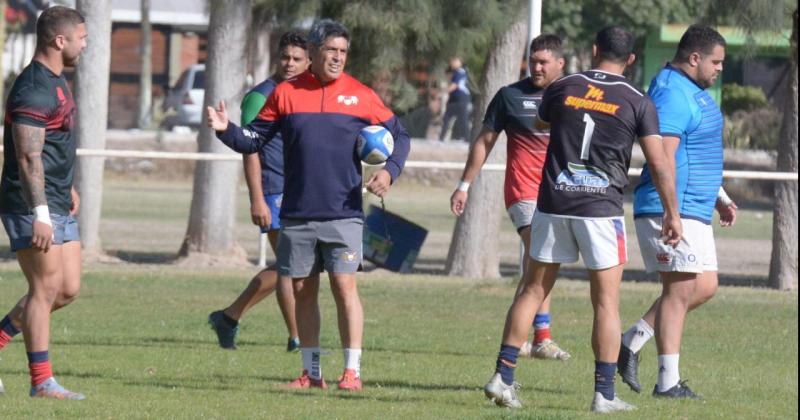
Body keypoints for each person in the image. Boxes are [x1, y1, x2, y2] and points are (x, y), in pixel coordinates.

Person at [481, 27, 682, 413]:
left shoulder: (564, 85)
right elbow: (658, 163)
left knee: (531, 290)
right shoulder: (638, 100)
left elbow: (541, 124)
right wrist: (672, 213)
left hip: (553, 202)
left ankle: (502, 377)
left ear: (593, 50)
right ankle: (604, 394)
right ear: (632, 59)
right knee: (606, 302)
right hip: (600, 211)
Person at [207, 19, 410, 391]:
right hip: (297, 213)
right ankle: (311, 373)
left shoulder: (361, 95)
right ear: (314, 53)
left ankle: (352, 372)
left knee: (344, 288)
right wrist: (226, 130)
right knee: (302, 290)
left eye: (343, 52)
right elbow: (254, 140)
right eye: (330, 51)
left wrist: (390, 172)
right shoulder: (285, 94)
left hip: (344, 212)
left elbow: (399, 135)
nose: (337, 58)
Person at [618, 25, 734, 399]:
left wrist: (719, 195)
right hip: (672, 208)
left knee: (704, 286)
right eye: (715, 62)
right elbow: (662, 156)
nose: (719, 69)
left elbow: (694, 153)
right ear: (695, 58)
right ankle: (667, 382)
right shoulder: (670, 92)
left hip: (694, 207)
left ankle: (631, 340)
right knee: (681, 289)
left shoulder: (692, 92)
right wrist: (671, 212)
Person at [450, 34, 570, 361]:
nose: (536, 66)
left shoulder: (571, 96)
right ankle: (520, 347)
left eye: (544, 61)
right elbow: (484, 141)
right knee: (538, 256)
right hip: (523, 192)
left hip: (561, 194)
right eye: (533, 60)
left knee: (543, 263)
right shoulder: (510, 96)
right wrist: (464, 185)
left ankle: (541, 338)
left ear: (561, 63)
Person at [0, 5, 87, 400]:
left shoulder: (57, 80)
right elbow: (26, 156)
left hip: (56, 197)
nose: (85, 45)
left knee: (67, 290)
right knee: (45, 286)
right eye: (82, 38)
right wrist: (40, 215)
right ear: (60, 40)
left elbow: (53, 143)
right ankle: (41, 382)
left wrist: (66, 185)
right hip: (30, 205)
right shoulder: (33, 87)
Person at [207, 30, 310, 352]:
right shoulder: (260, 96)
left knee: (294, 266)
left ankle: (229, 316)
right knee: (291, 266)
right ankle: (297, 338)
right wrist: (257, 198)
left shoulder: (304, 93)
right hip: (273, 190)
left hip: (300, 191)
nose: (290, 64)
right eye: (285, 57)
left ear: (309, 61)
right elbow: (250, 149)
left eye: (297, 59)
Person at [438, 57, 472, 141]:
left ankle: (467, 139)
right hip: (454, 99)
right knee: (447, 118)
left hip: (461, 99)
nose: (452, 63)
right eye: (451, 61)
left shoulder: (460, 72)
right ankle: (441, 139)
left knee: (463, 120)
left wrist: (442, 92)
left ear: (460, 62)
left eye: (455, 61)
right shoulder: (455, 72)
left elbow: (454, 86)